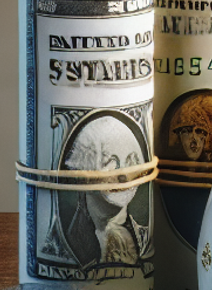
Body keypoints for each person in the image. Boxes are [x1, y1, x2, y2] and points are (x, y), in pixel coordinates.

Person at [61, 114, 152, 269]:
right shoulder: (69, 243)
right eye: (111, 162)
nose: (123, 175)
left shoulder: (144, 238)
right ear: (85, 171)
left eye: (130, 161)